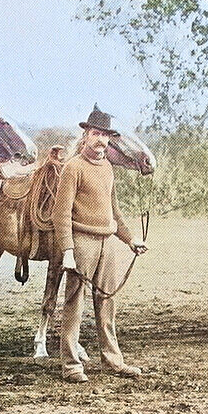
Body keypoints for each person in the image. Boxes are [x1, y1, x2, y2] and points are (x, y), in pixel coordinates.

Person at [53, 106, 148, 383]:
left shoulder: (107, 167)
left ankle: (112, 361)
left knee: (107, 302)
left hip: (108, 243)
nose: (101, 141)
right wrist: (67, 251)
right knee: (74, 303)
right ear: (86, 135)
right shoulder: (73, 168)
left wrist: (131, 240)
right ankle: (71, 365)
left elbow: (114, 212)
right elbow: (61, 213)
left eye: (105, 136)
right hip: (82, 243)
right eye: (96, 134)